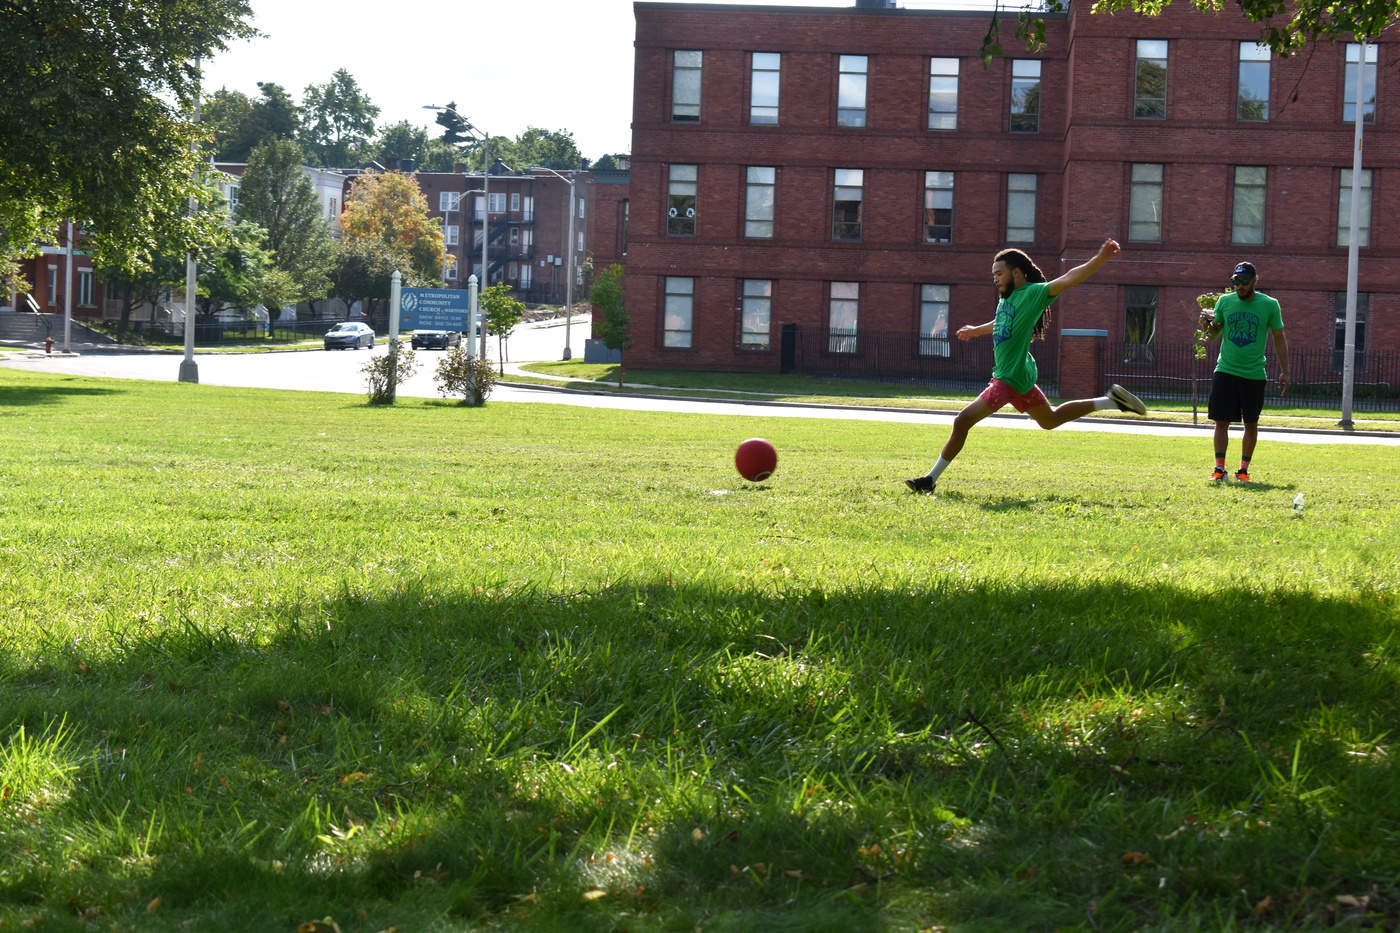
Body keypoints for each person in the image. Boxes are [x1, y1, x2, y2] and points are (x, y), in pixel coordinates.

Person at [905, 238, 1147, 494]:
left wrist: (1100, 258)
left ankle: (929, 480)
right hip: (1019, 377)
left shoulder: (1034, 293)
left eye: (999, 273)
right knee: (1050, 420)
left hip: (1008, 378)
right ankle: (1112, 401)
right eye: (993, 275)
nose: (995, 279)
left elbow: (1069, 278)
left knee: (962, 421)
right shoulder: (1006, 300)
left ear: (1016, 273)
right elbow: (1001, 323)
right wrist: (977, 330)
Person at [1197, 261, 1288, 482]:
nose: (1239, 286)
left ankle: (1243, 470)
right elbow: (1212, 336)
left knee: (1251, 423)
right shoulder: (1224, 302)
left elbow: (1278, 337)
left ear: (1255, 280)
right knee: (1221, 421)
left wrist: (1285, 371)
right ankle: (1219, 470)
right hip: (1226, 370)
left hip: (1254, 374)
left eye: (1244, 281)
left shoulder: (1270, 305)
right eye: (1236, 281)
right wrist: (1204, 325)